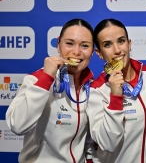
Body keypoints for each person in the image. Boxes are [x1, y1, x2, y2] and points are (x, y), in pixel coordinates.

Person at [5, 18, 94, 163]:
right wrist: (46, 79)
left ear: (92, 51)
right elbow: (17, 125)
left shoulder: (91, 86)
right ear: (58, 44)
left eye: (84, 45)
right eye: (69, 43)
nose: (76, 52)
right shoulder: (36, 80)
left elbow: (89, 138)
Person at [86, 18, 146, 163]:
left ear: (129, 44)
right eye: (107, 44)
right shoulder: (96, 90)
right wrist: (115, 97)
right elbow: (107, 143)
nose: (117, 50)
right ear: (99, 53)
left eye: (121, 41)